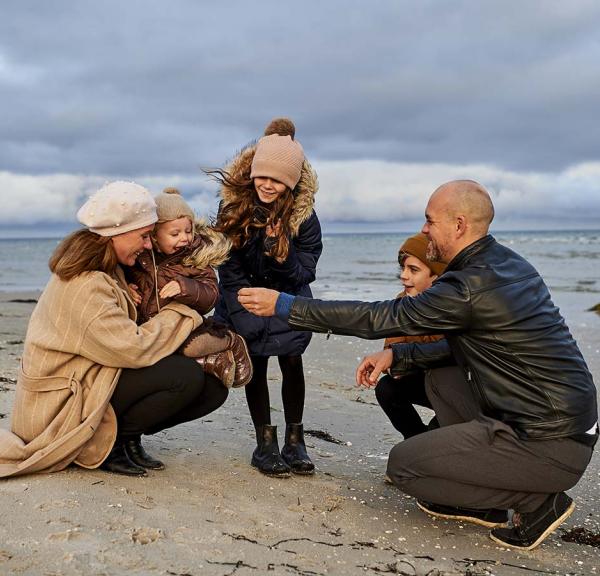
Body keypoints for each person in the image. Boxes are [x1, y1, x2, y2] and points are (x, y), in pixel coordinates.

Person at [237, 180, 598, 550]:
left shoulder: (468, 286)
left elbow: (379, 318)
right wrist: (399, 354)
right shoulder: (506, 264)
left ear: (458, 225)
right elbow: (463, 350)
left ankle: (536, 503)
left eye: (430, 220)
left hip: (547, 440)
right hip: (567, 424)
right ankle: (491, 496)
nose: (424, 228)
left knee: (404, 467)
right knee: (441, 380)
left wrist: (285, 306)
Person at [0, 181, 229, 479]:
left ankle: (125, 437)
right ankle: (110, 444)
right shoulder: (85, 283)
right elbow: (133, 348)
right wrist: (183, 312)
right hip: (58, 406)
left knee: (212, 388)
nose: (149, 245)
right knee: (183, 376)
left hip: (89, 378)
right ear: (116, 234)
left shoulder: (112, 269)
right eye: (144, 236)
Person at [209, 117, 322, 477]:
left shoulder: (304, 219)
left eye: (277, 179)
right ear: (252, 173)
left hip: (287, 299)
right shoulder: (233, 210)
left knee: (291, 360)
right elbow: (228, 268)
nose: (268, 185)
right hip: (243, 300)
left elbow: (305, 273)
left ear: (290, 183)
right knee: (255, 362)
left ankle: (295, 441)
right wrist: (244, 310)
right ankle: (264, 443)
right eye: (263, 176)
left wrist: (281, 253)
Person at [126, 187, 252, 389]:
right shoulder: (141, 259)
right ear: (154, 236)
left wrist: (185, 287)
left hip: (186, 326)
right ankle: (212, 363)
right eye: (175, 234)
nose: (184, 238)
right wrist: (127, 289)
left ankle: (231, 341)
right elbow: (121, 277)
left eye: (188, 231)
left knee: (190, 348)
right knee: (154, 356)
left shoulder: (194, 258)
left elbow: (211, 294)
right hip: (151, 327)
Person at [375, 232, 446, 439]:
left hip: (460, 392)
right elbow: (392, 350)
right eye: (403, 268)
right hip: (427, 381)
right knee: (387, 388)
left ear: (437, 274)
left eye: (413, 270)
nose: (403, 276)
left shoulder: (457, 306)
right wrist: (392, 365)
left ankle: (431, 441)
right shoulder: (402, 302)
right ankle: (415, 439)